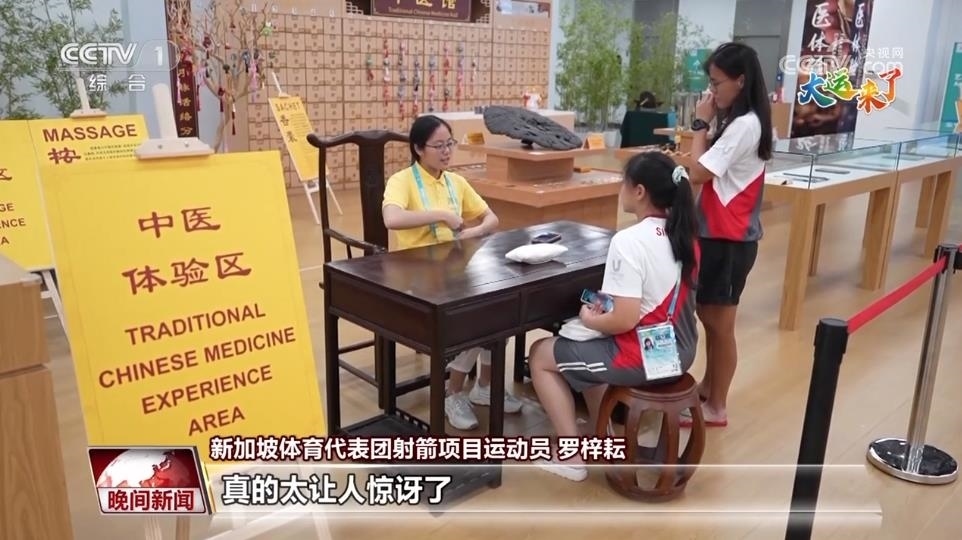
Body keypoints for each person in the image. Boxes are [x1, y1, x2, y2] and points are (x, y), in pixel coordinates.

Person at [526, 151, 700, 482]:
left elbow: (623, 320)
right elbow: (652, 300)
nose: (621, 189)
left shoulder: (629, 241)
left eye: (624, 183)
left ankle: (571, 457)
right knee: (590, 352)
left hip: (645, 358)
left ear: (639, 191)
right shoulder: (685, 235)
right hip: (682, 350)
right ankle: (602, 437)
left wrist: (589, 319)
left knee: (540, 355)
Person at [381, 114, 523, 430]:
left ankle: (485, 386)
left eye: (450, 144)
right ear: (418, 148)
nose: (447, 152)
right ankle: (452, 392)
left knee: (499, 308)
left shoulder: (454, 181)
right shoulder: (402, 181)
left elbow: (492, 219)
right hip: (416, 276)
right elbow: (392, 219)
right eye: (439, 146)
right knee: (475, 318)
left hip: (453, 269)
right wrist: (442, 215)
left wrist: (475, 231)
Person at [682, 42, 772, 428]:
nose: (711, 91)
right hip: (718, 233)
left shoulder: (746, 125)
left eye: (717, 83)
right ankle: (709, 386)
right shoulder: (739, 121)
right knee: (709, 316)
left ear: (741, 81)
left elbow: (698, 172)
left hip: (730, 239)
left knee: (720, 325)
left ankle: (717, 406)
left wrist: (700, 124)